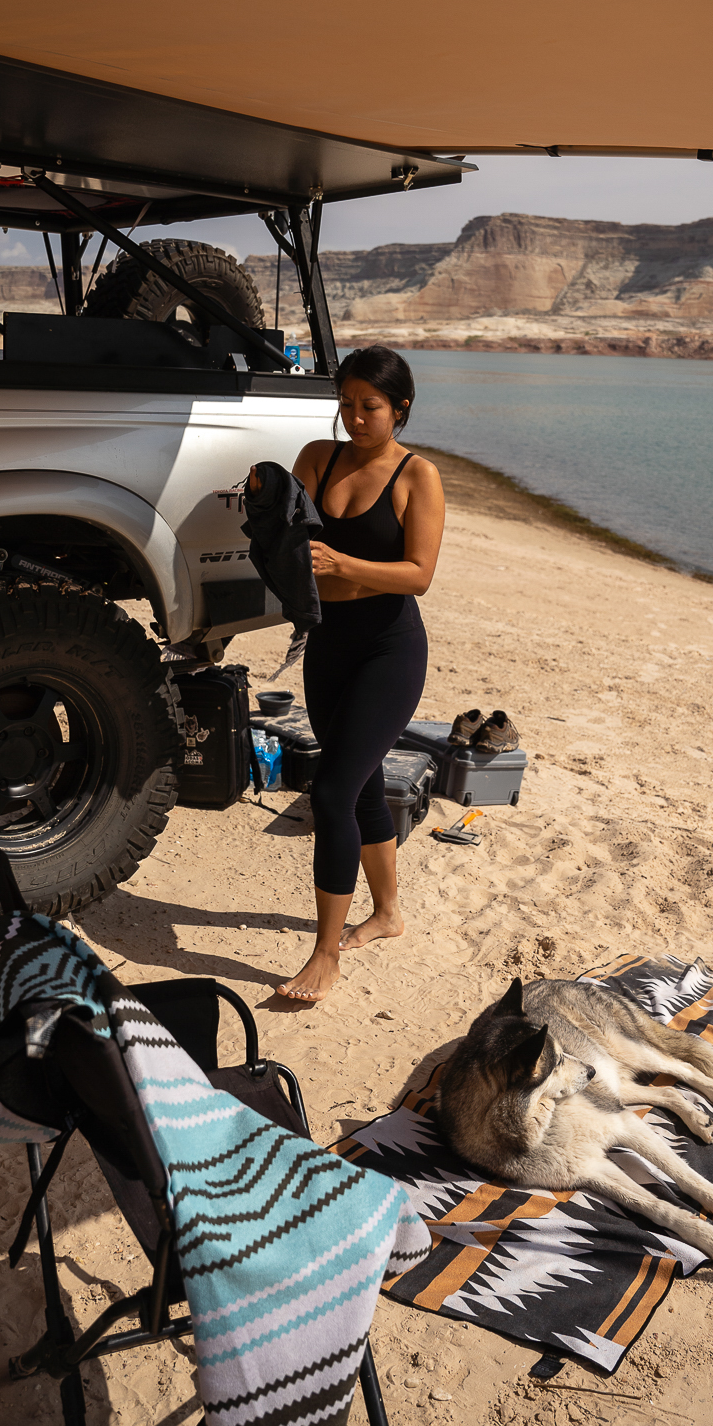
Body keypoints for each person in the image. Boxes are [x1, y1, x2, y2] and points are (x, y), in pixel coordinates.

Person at [270, 345, 444, 1003]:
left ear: (400, 409)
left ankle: (324, 956)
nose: (354, 418)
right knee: (364, 787)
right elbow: (288, 537)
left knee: (334, 791)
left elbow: (419, 575)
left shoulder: (416, 475)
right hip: (327, 645)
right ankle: (389, 914)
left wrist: (345, 568)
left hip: (388, 650)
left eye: (369, 406)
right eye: (345, 404)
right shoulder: (318, 458)